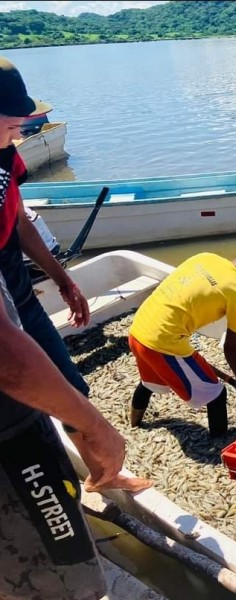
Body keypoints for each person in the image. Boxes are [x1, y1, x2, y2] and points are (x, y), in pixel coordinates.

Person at [0, 270, 151, 600]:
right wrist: (96, 427)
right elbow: (5, 356)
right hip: (12, 445)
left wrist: (62, 279)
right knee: (64, 581)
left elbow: (19, 223)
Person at [0, 56, 91, 396]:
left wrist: (63, 280)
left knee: (73, 390)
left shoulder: (7, 153)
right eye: (12, 127)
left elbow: (20, 222)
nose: (18, 136)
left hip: (22, 294)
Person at [128, 242, 236, 437]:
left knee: (150, 382)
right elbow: (231, 348)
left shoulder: (206, 258)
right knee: (216, 394)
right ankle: (221, 446)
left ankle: (133, 425)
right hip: (162, 344)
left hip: (138, 331)